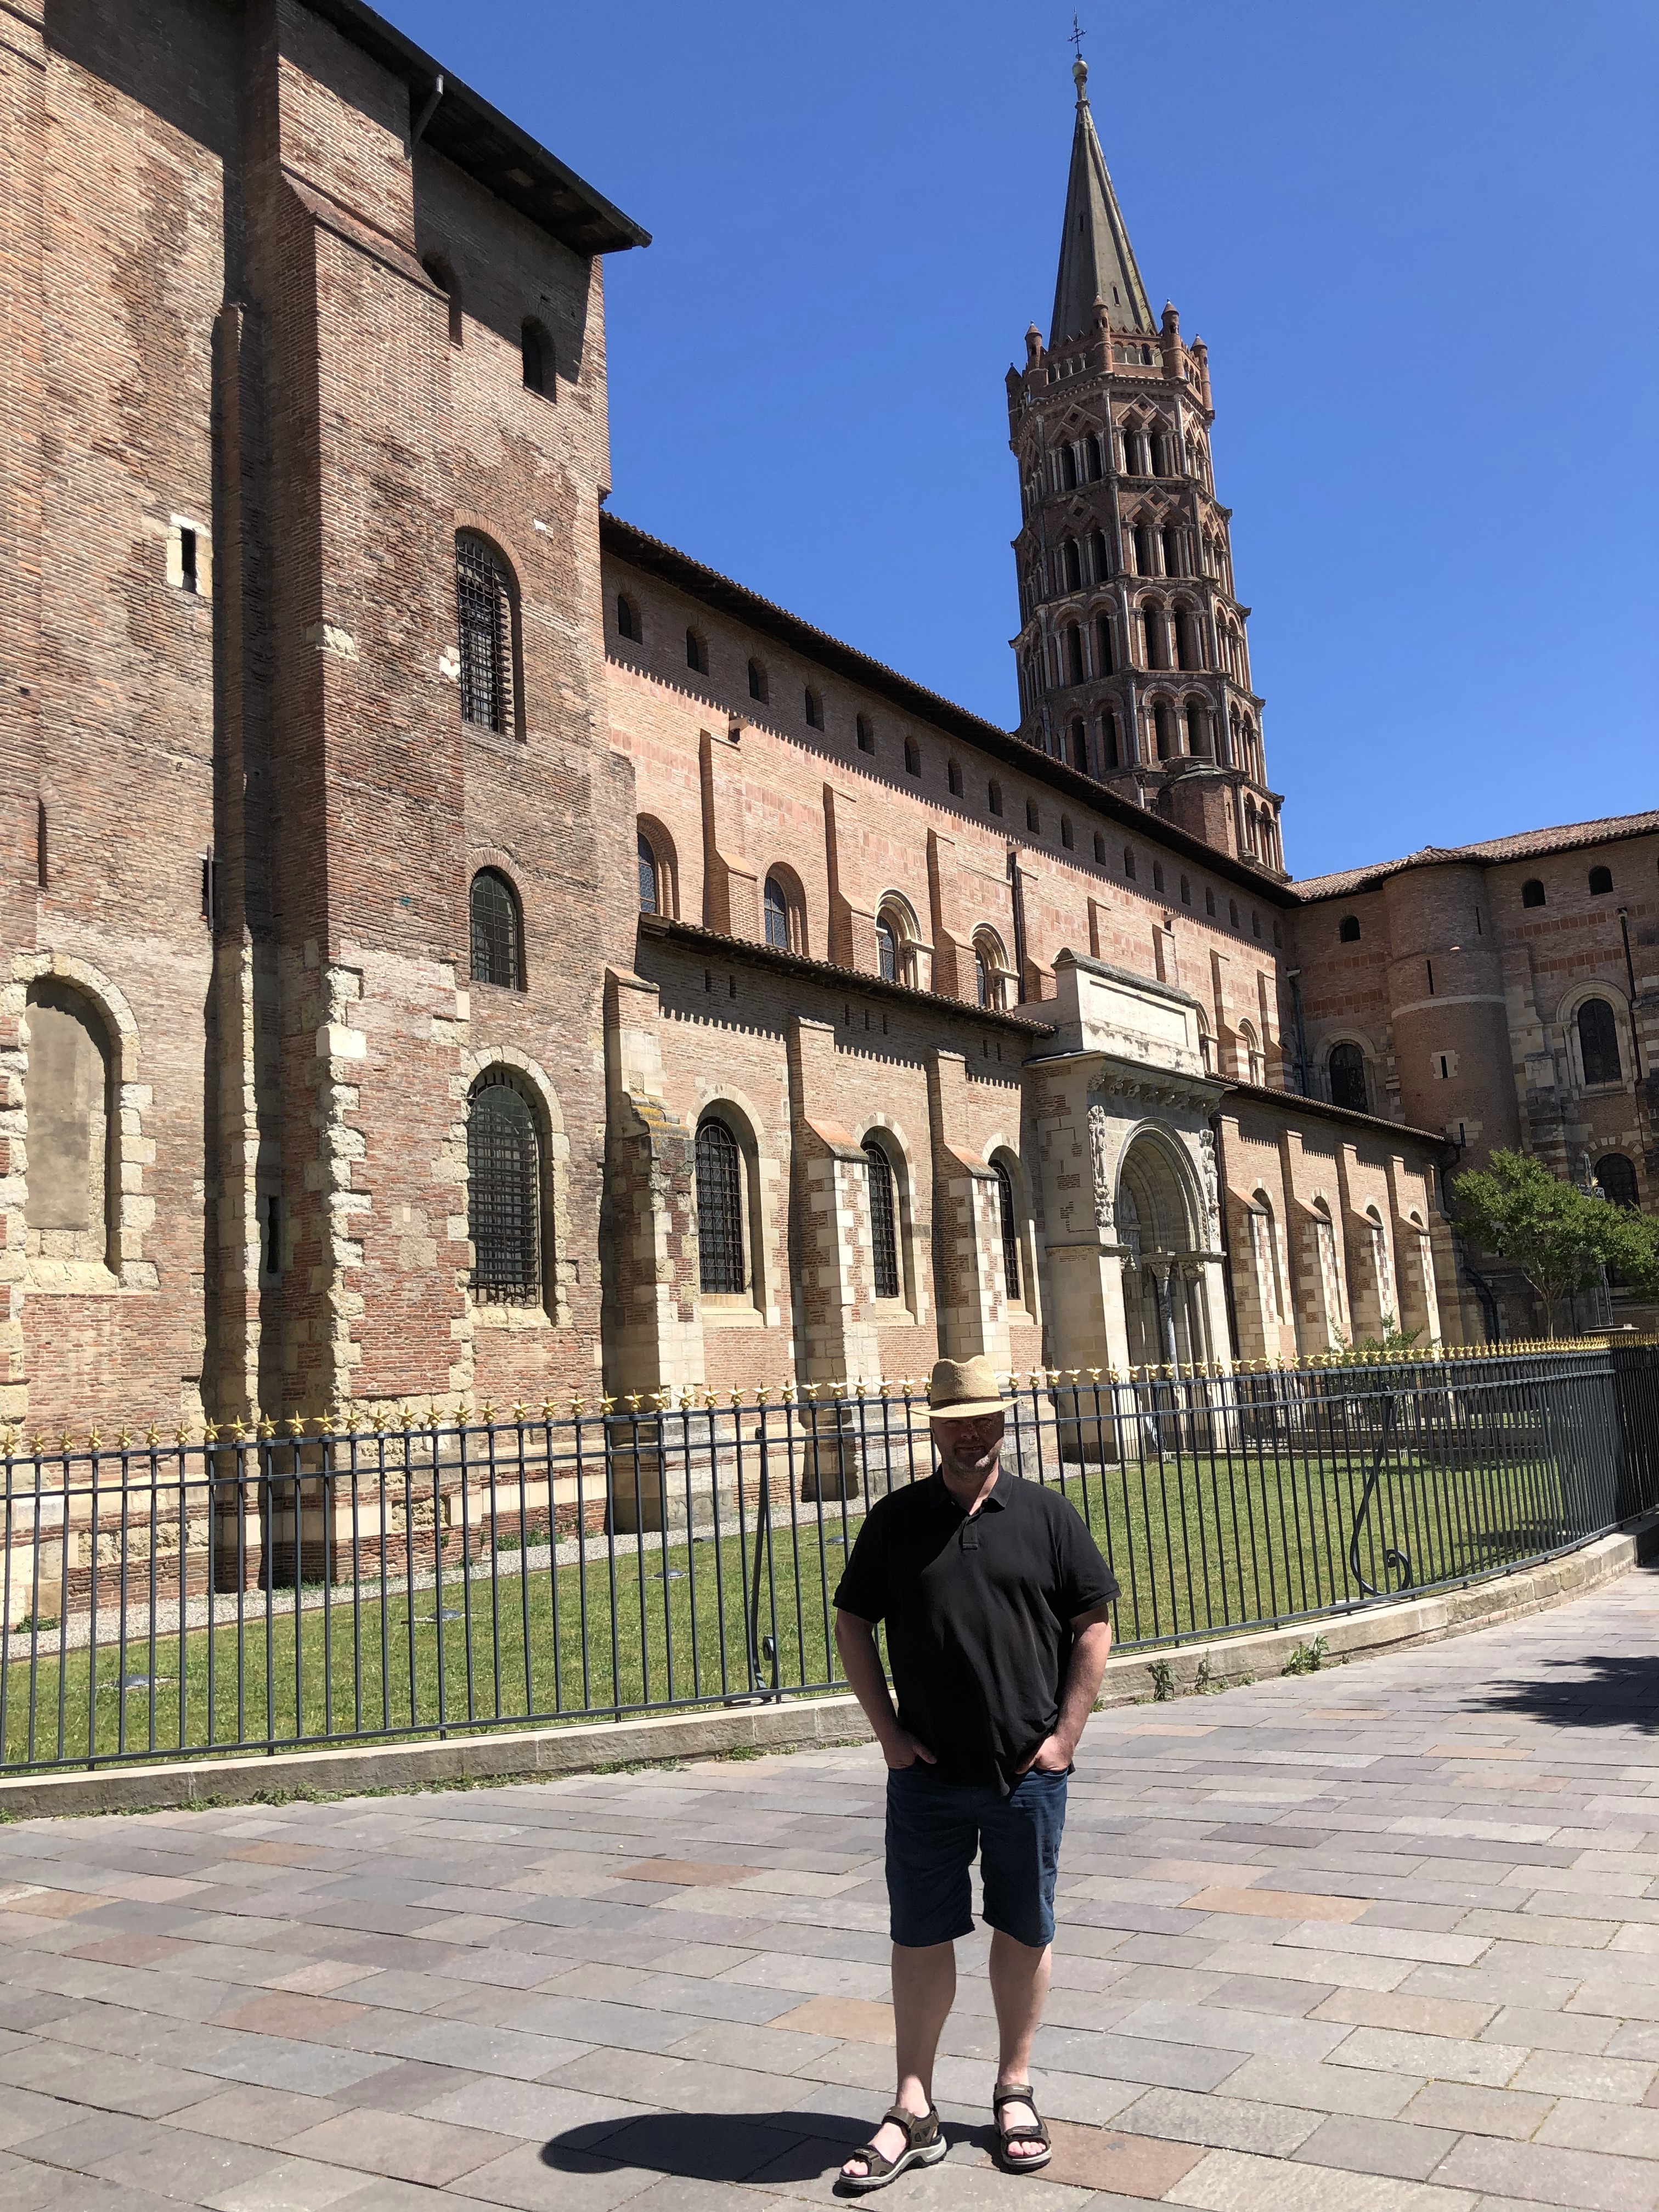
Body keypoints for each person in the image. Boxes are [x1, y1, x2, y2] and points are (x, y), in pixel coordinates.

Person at [831, 1355, 1118, 2191]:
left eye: (984, 1419)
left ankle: (1013, 2089)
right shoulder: (896, 1520)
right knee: (920, 1934)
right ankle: (913, 2107)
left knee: (1024, 1926)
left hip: (1026, 1774)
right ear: (934, 1428)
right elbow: (852, 1623)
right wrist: (888, 1734)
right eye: (956, 1422)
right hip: (926, 1775)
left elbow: (1093, 1623)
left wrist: (1065, 1737)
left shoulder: (1047, 1515)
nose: (971, 1434)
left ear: (1003, 1422)